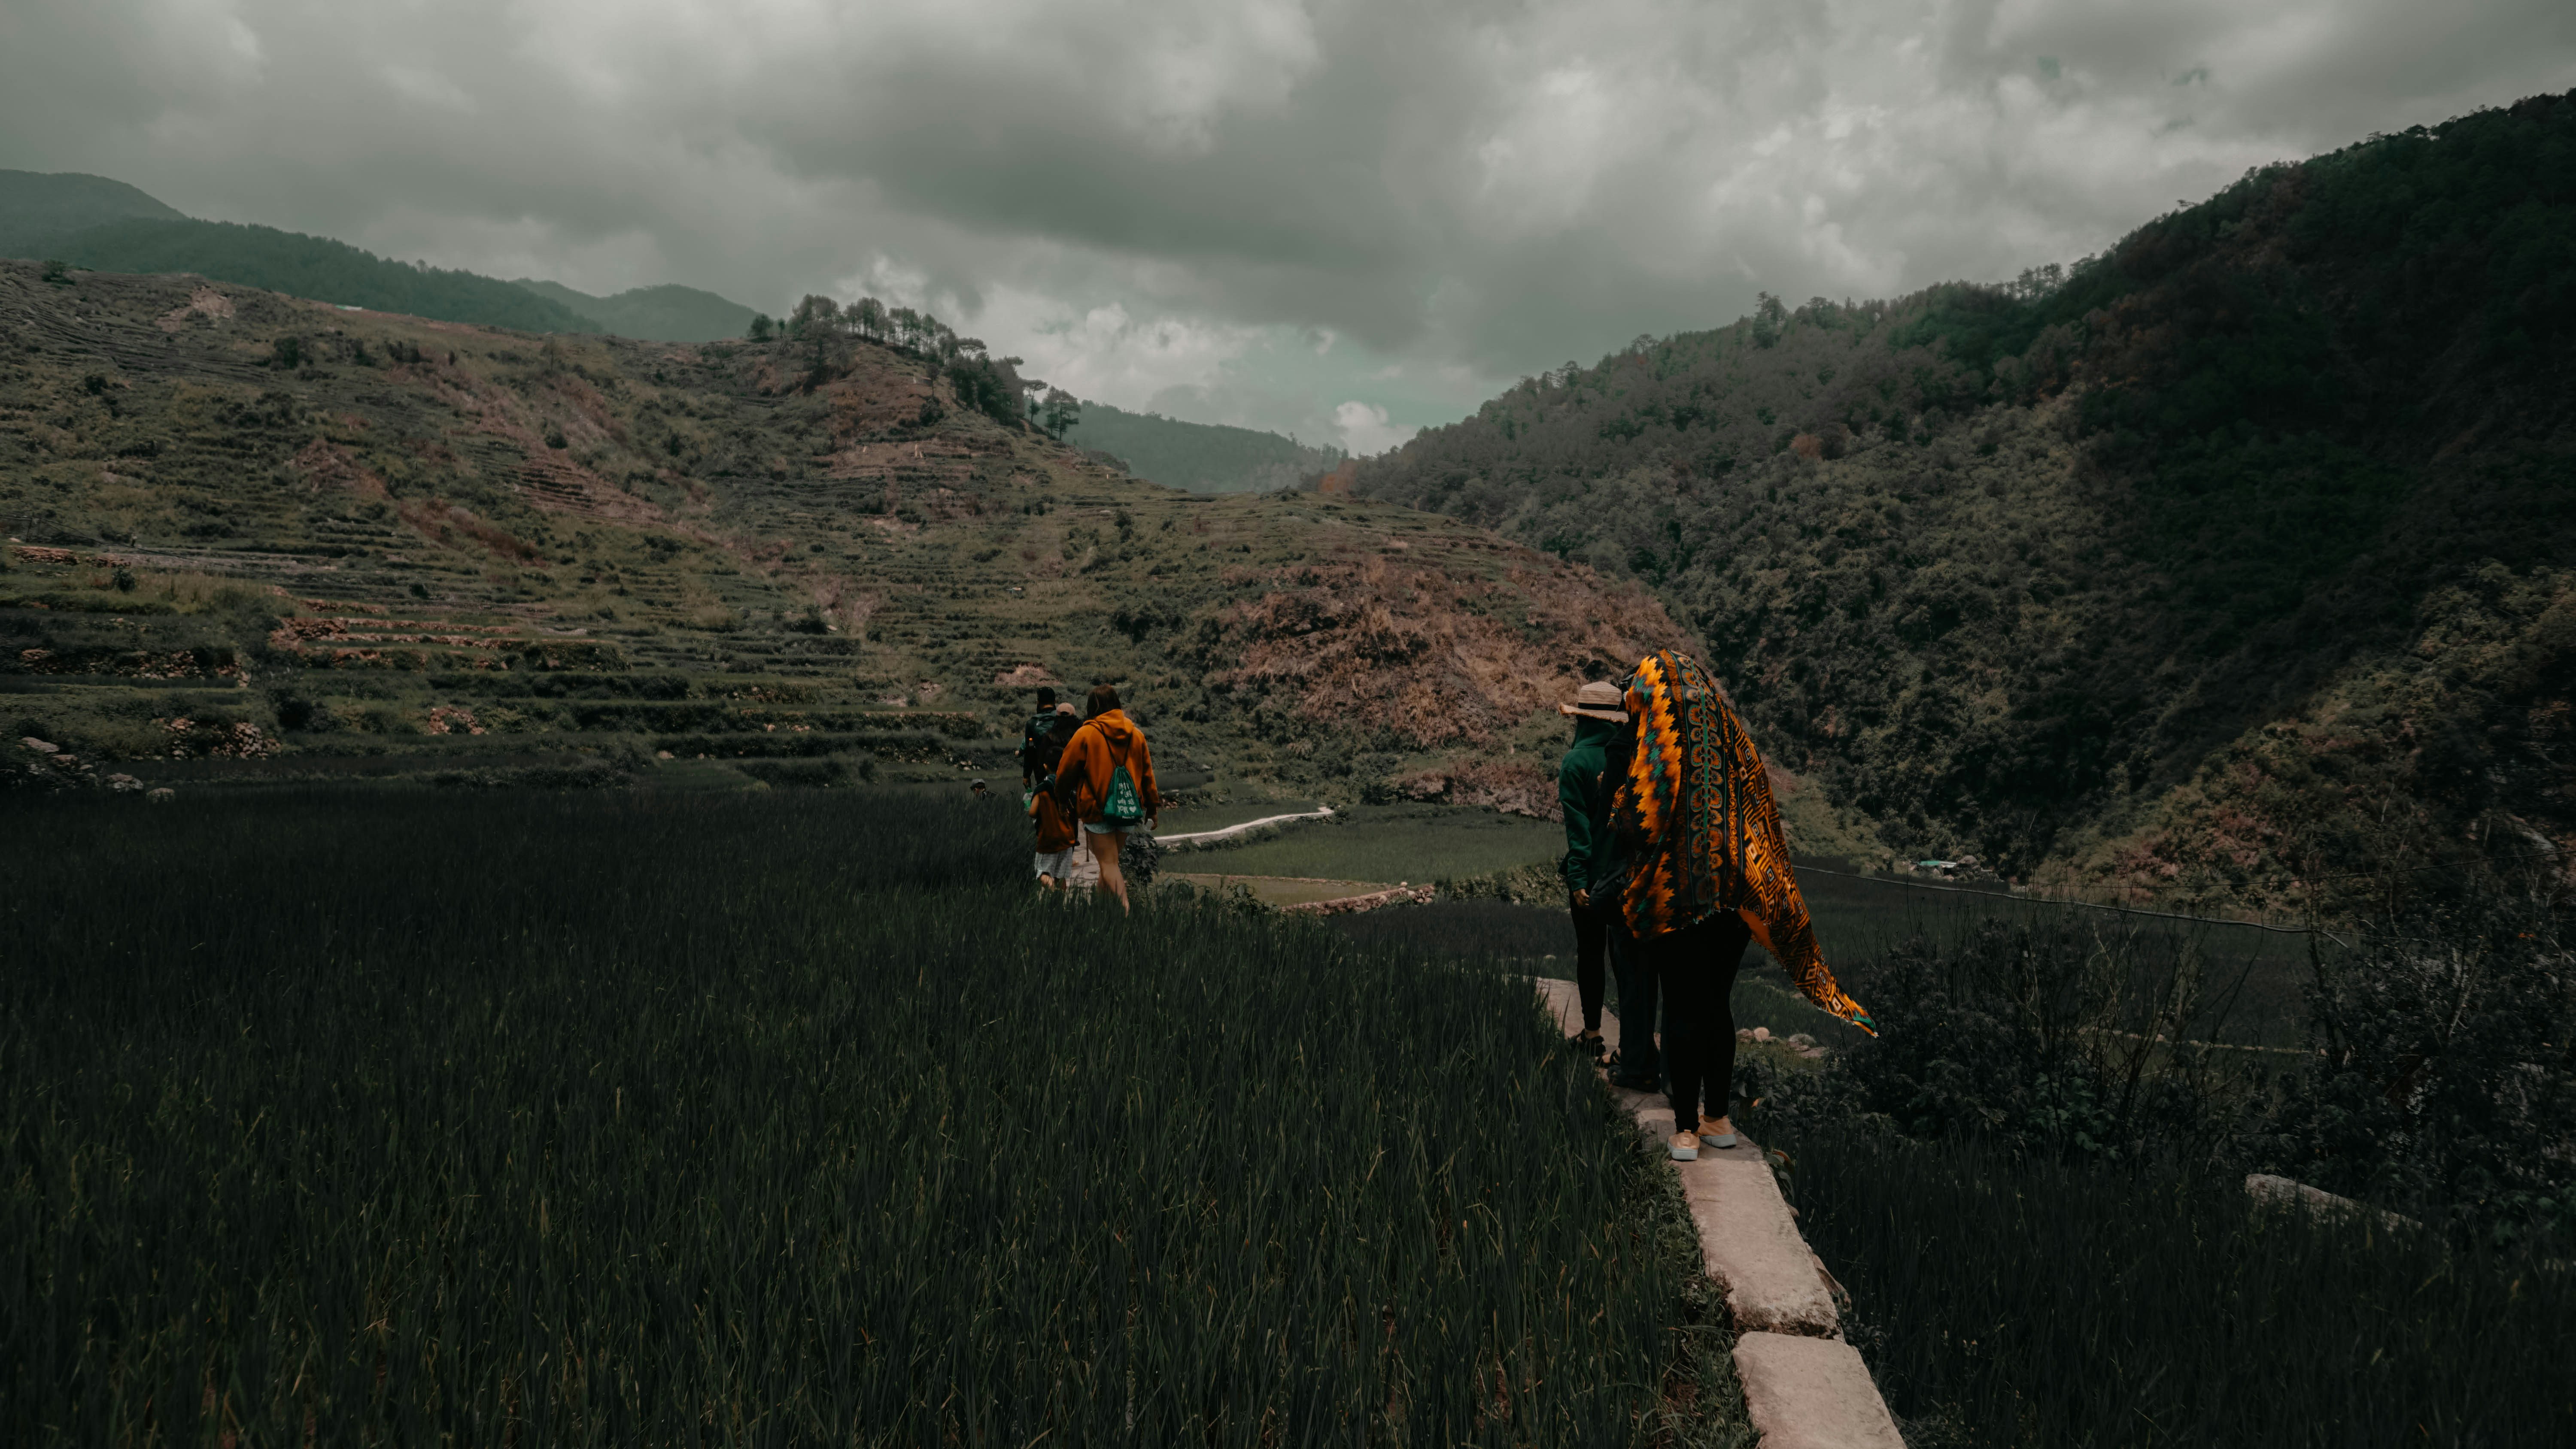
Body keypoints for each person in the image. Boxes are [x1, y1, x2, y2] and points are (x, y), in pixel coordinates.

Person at [1603, 649, 1874, 1161]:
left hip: (1680, 895)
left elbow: (1640, 819)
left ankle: (1685, 1130)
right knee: (1715, 1005)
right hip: (1738, 895)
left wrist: (1616, 800)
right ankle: (1718, 1118)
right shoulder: (1731, 739)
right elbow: (1761, 806)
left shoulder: (1661, 740)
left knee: (1682, 1007)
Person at [1557, 680, 1657, 1090]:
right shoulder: (1635, 755)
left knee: (1590, 952)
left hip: (1591, 876)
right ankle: (1634, 1047)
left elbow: (1579, 831)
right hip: (1628, 877)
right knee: (1630, 964)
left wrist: (1580, 878)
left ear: (1581, 718)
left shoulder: (1575, 762)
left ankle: (1594, 1033)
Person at [1051, 683, 1159, 913]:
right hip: (1127, 808)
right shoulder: (1136, 734)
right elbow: (1147, 773)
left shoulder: (1086, 733)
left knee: (1109, 864)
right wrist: (1152, 808)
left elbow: (1065, 771)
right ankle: (1097, 911)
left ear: (1093, 707)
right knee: (1109, 864)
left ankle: (1125, 908)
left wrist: (1062, 800)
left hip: (1097, 808)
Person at [1025, 705, 1081, 889]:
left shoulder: (1050, 735)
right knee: (1071, 820)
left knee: (1045, 872)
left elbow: (1040, 761)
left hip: (1048, 838)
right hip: (1074, 788)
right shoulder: (1081, 735)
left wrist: (1041, 786)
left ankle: (1050, 887)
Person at [1019, 685, 1060, 795]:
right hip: (1064, 768)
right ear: (1055, 700)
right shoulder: (1063, 718)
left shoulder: (1032, 723)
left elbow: (1030, 750)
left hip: (1042, 771)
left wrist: (1026, 776)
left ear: (1038, 701)